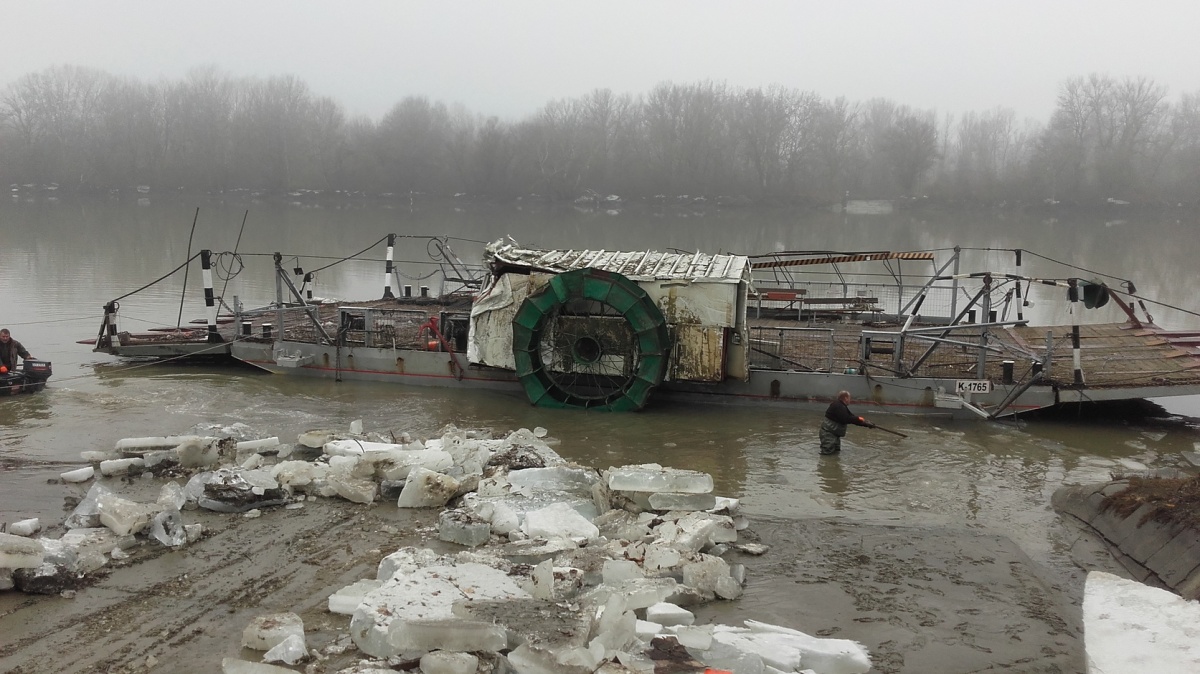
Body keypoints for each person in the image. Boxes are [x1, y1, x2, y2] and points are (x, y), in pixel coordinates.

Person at [819, 390, 873, 455]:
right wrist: (858, 419)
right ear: (846, 398)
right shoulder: (838, 405)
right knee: (827, 454)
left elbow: (851, 418)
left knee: (835, 453)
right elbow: (846, 419)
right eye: (849, 398)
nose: (850, 400)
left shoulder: (842, 406)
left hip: (834, 434)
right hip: (828, 434)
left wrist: (866, 423)